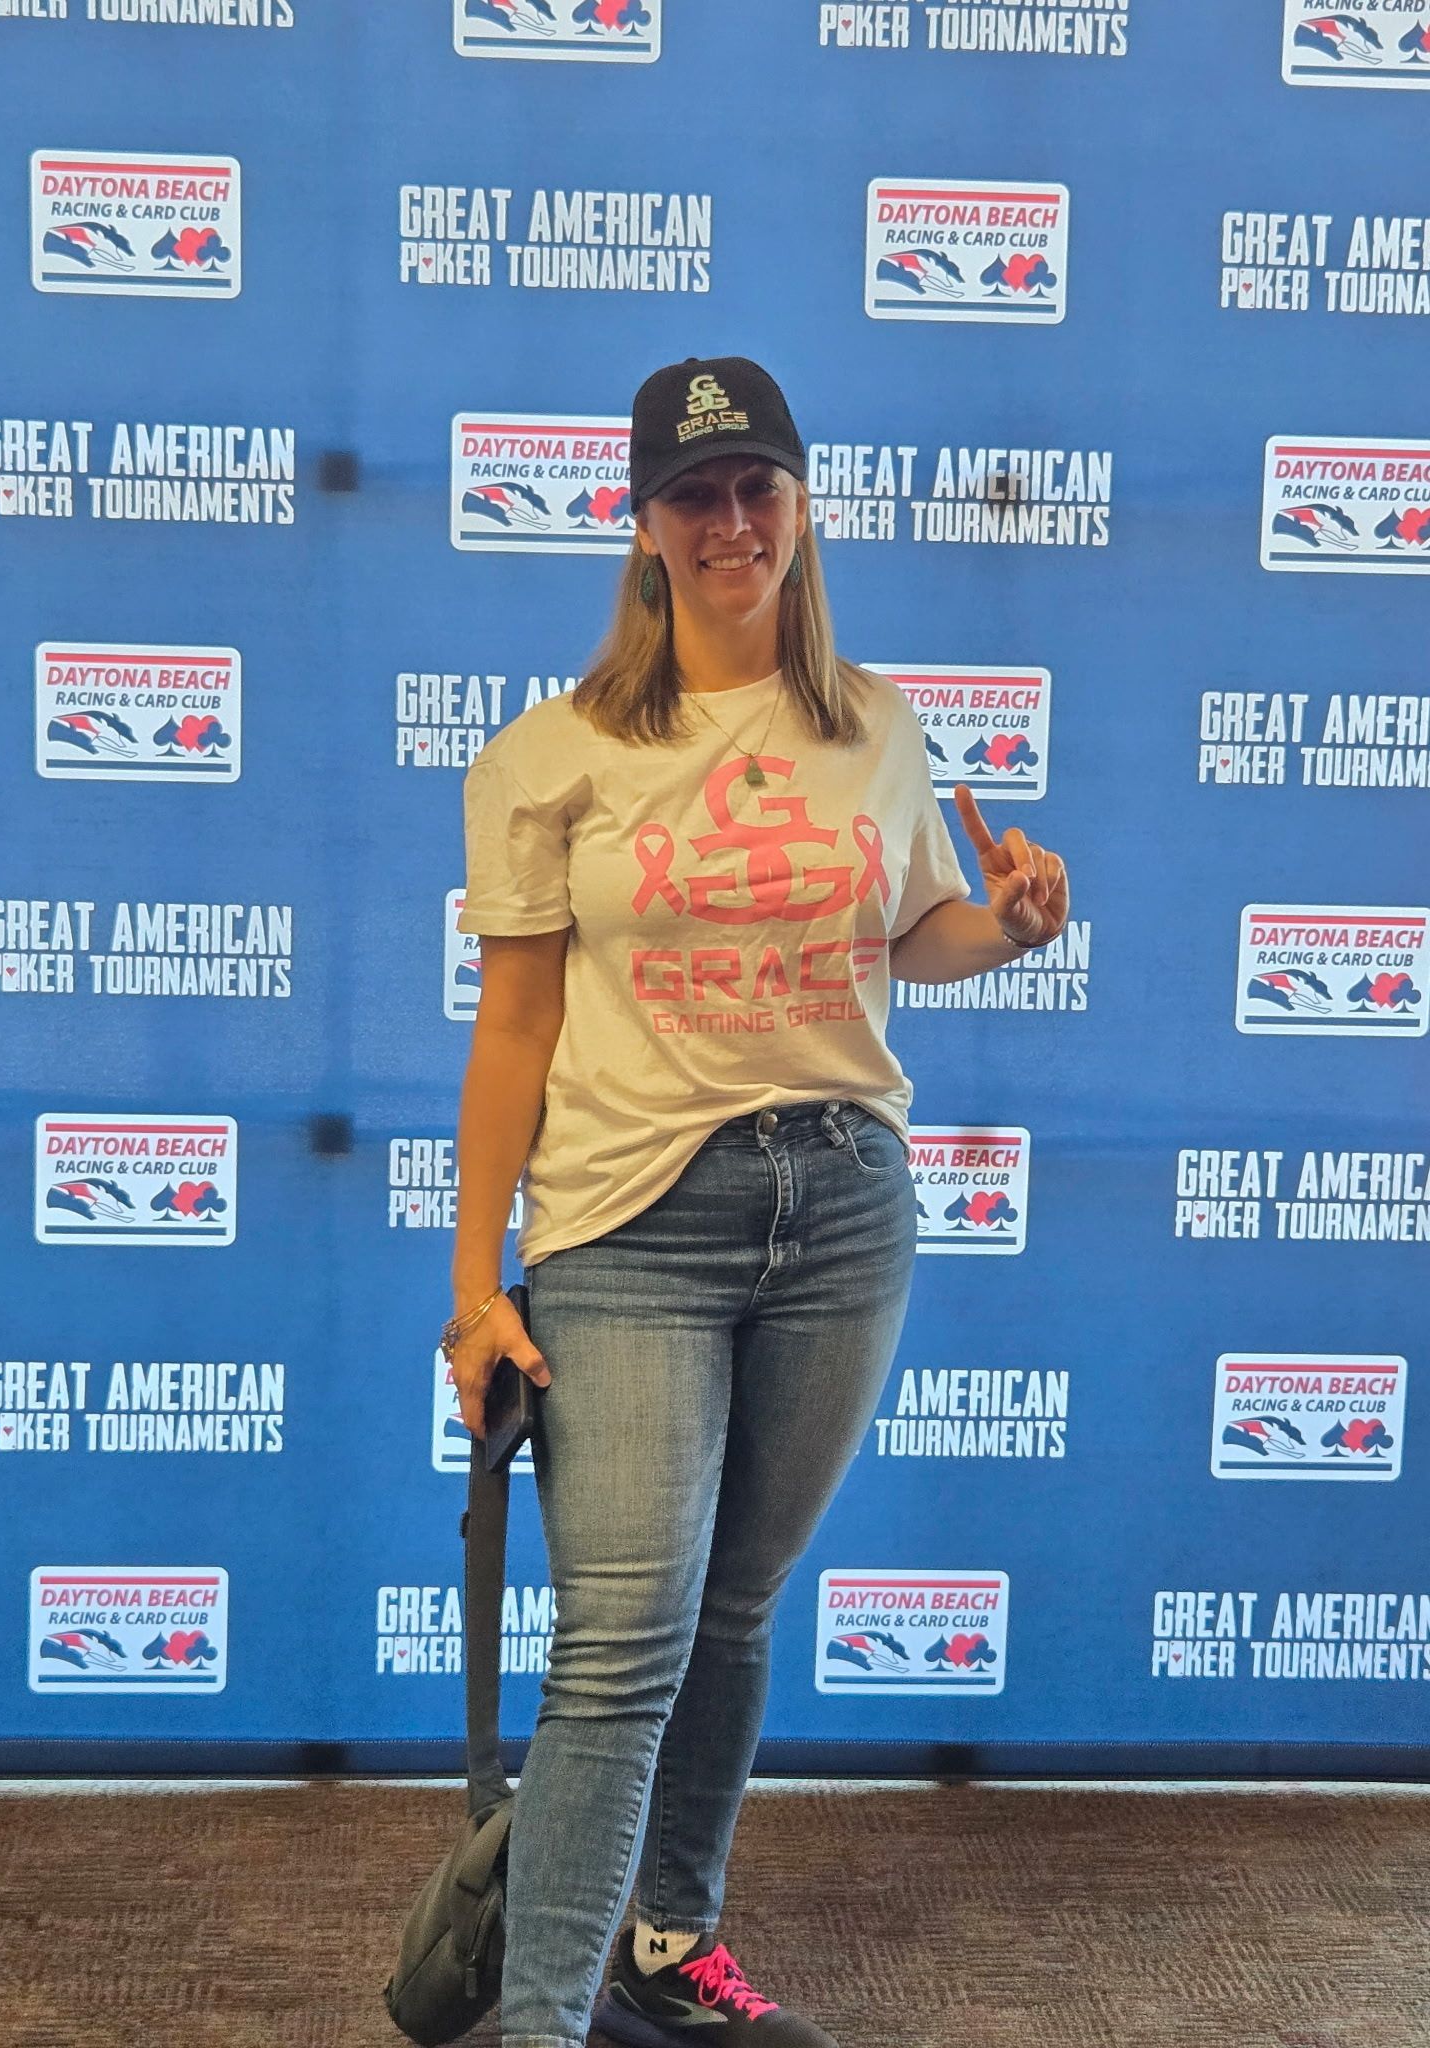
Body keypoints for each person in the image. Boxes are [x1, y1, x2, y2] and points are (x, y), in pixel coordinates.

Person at [442, 354, 1069, 2048]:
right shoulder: (550, 755)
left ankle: (671, 1947)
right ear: (644, 527)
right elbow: (514, 1032)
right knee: (620, 1643)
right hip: (631, 1226)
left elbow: (908, 938)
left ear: (800, 505)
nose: (731, 521)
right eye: (694, 494)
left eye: (757, 487)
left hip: (845, 1207)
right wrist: (476, 1285)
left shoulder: (876, 727)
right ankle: (544, 2024)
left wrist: (1007, 927)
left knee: (734, 1604)